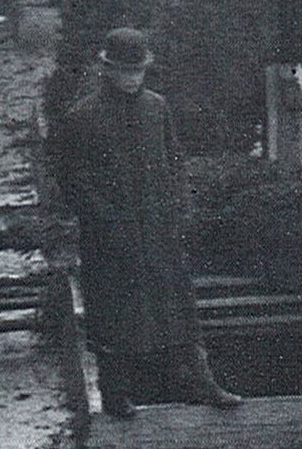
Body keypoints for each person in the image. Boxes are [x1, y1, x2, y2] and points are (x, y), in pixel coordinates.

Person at [55, 28, 242, 416]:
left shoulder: (157, 108)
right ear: (107, 70)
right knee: (116, 315)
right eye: (124, 71)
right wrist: (108, 224)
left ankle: (200, 383)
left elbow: (175, 163)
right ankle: (114, 394)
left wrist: (176, 210)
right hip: (110, 237)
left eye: (138, 71)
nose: (132, 79)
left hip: (159, 230)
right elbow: (73, 181)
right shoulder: (82, 118)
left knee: (178, 309)